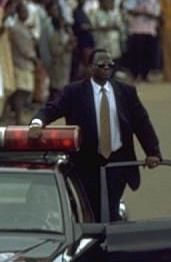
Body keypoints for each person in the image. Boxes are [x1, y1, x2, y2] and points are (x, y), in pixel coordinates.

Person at [29, 49, 162, 221]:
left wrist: (153, 152)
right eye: (101, 65)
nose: (107, 68)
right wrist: (36, 124)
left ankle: (111, 238)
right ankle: (95, 240)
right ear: (91, 67)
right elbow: (52, 109)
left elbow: (142, 123)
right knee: (92, 209)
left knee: (110, 208)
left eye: (110, 65)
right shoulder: (75, 92)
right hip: (87, 162)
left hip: (117, 161)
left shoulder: (126, 92)